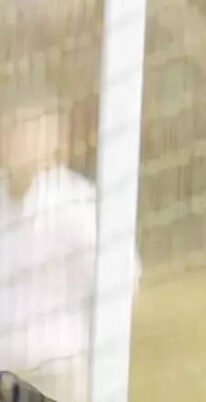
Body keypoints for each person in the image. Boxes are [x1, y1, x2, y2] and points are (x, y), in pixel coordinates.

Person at [0, 94, 140, 401]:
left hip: (58, 374)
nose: (21, 146)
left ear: (54, 143)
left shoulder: (77, 203)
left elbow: (123, 277)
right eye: (14, 134)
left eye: (32, 136)